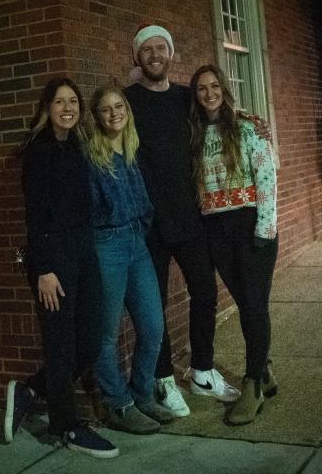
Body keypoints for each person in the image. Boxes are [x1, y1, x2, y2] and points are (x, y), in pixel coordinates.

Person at [124, 25, 240, 416]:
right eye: (147, 49)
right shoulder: (127, 101)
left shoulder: (186, 98)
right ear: (137, 56)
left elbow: (219, 122)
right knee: (152, 306)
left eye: (161, 48)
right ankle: (163, 381)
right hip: (149, 223)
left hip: (191, 217)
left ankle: (202, 371)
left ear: (170, 54)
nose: (155, 54)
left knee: (205, 293)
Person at [5, 77, 118, 459]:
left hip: (83, 256)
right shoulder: (39, 152)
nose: (68, 108)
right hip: (53, 262)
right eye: (59, 102)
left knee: (90, 338)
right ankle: (66, 427)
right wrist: (45, 270)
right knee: (60, 345)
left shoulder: (77, 148)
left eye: (73, 102)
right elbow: (35, 217)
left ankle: (32, 388)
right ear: (46, 109)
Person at [189, 64, 278, 425]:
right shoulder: (192, 134)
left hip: (250, 225)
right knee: (246, 304)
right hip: (216, 230)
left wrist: (265, 228)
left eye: (214, 86)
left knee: (254, 305)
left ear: (224, 89)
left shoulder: (246, 126)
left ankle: (253, 383)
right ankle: (266, 369)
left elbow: (266, 175)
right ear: (195, 96)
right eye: (201, 89)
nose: (209, 93)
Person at [85, 86, 176, 434]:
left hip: (137, 243)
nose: (113, 114)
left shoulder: (132, 149)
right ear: (97, 116)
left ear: (127, 110)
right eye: (105, 109)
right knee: (105, 333)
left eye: (118, 106)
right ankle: (117, 404)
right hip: (106, 244)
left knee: (153, 326)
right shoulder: (92, 157)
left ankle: (142, 394)